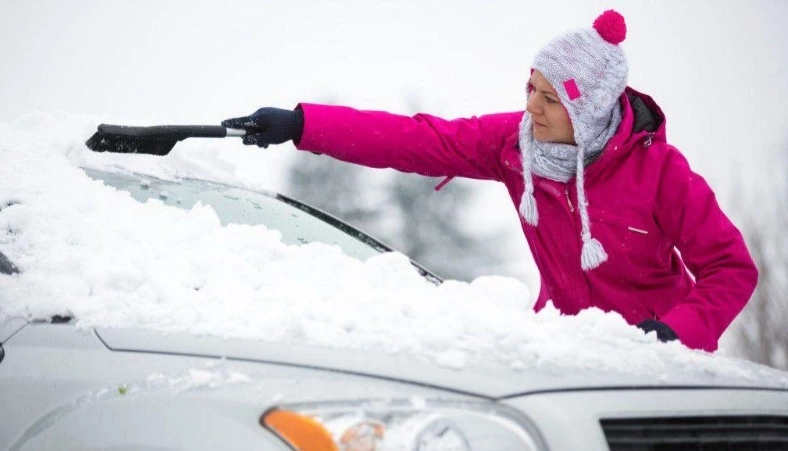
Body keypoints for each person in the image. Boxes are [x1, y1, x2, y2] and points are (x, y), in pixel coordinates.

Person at [221, 10, 757, 352]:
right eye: (530, 89)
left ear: (589, 111)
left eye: (551, 99)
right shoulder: (515, 145)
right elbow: (415, 140)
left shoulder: (660, 173)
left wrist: (674, 335)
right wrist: (302, 125)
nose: (531, 108)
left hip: (660, 361)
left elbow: (731, 269)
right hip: (569, 355)